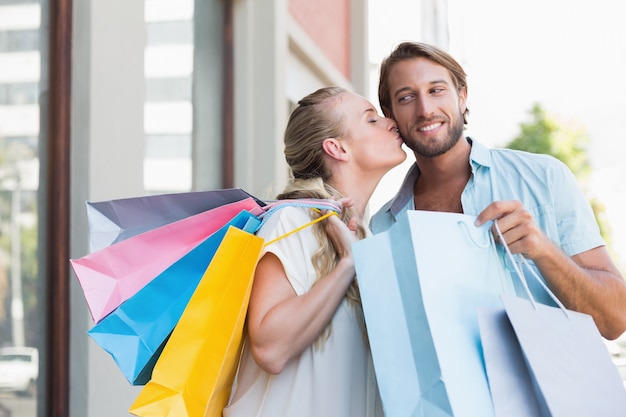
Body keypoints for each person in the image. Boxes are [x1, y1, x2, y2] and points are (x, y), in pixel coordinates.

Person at [371, 41, 626, 340]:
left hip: (548, 386)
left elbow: (615, 320)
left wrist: (544, 252)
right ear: (390, 113)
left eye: (436, 90)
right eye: (406, 97)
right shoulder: (383, 227)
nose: (425, 109)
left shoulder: (544, 177)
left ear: (462, 97)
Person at [223, 86, 406, 416]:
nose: (391, 122)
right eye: (371, 119)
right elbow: (270, 347)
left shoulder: (370, 237)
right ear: (337, 148)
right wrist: (347, 266)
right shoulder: (291, 221)